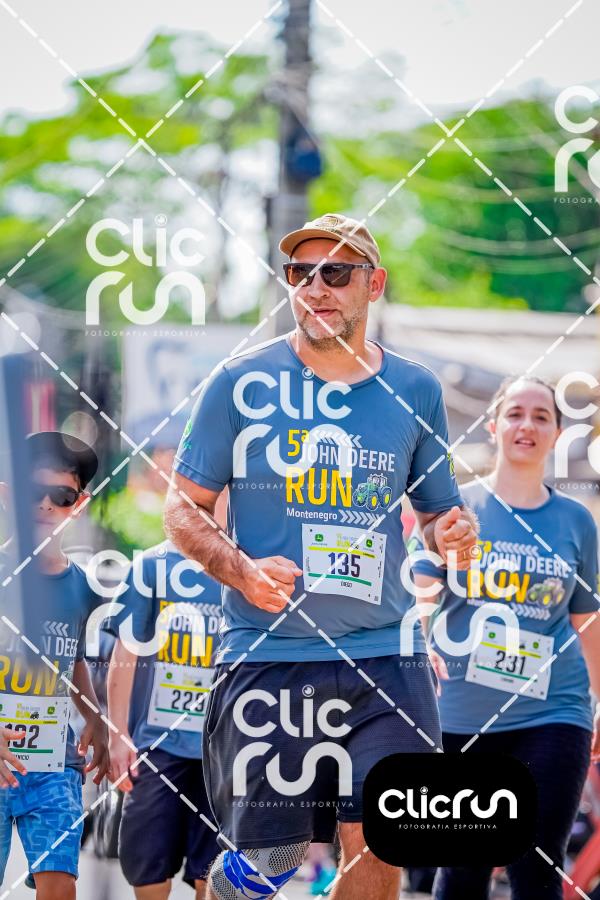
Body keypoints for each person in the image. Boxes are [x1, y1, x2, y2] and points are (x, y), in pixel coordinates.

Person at [164, 213, 478, 900]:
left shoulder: (416, 390)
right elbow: (182, 508)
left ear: (374, 284)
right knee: (268, 863)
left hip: (385, 654)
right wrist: (241, 571)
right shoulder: (240, 382)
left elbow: (435, 516)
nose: (315, 288)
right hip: (269, 654)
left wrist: (450, 534)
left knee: (384, 840)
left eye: (335, 272)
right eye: (300, 274)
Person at [411, 376, 600, 900]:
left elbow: (587, 620)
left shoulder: (577, 522)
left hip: (554, 712)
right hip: (461, 717)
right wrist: (415, 650)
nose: (527, 425)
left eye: (542, 416)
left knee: (537, 868)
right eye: (515, 413)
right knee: (462, 870)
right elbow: (419, 594)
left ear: (557, 433)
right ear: (494, 426)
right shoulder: (454, 510)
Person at [0, 431, 109, 900]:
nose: (46, 504)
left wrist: (96, 719)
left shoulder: (82, 586)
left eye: (62, 496)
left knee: (61, 886)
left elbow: (73, 658)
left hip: (54, 766)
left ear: (78, 505)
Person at [107, 523, 226, 899]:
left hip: (223, 751)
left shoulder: (243, 568)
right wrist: (117, 735)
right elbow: (125, 653)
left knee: (213, 875)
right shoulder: (151, 565)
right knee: (148, 871)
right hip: (156, 746)